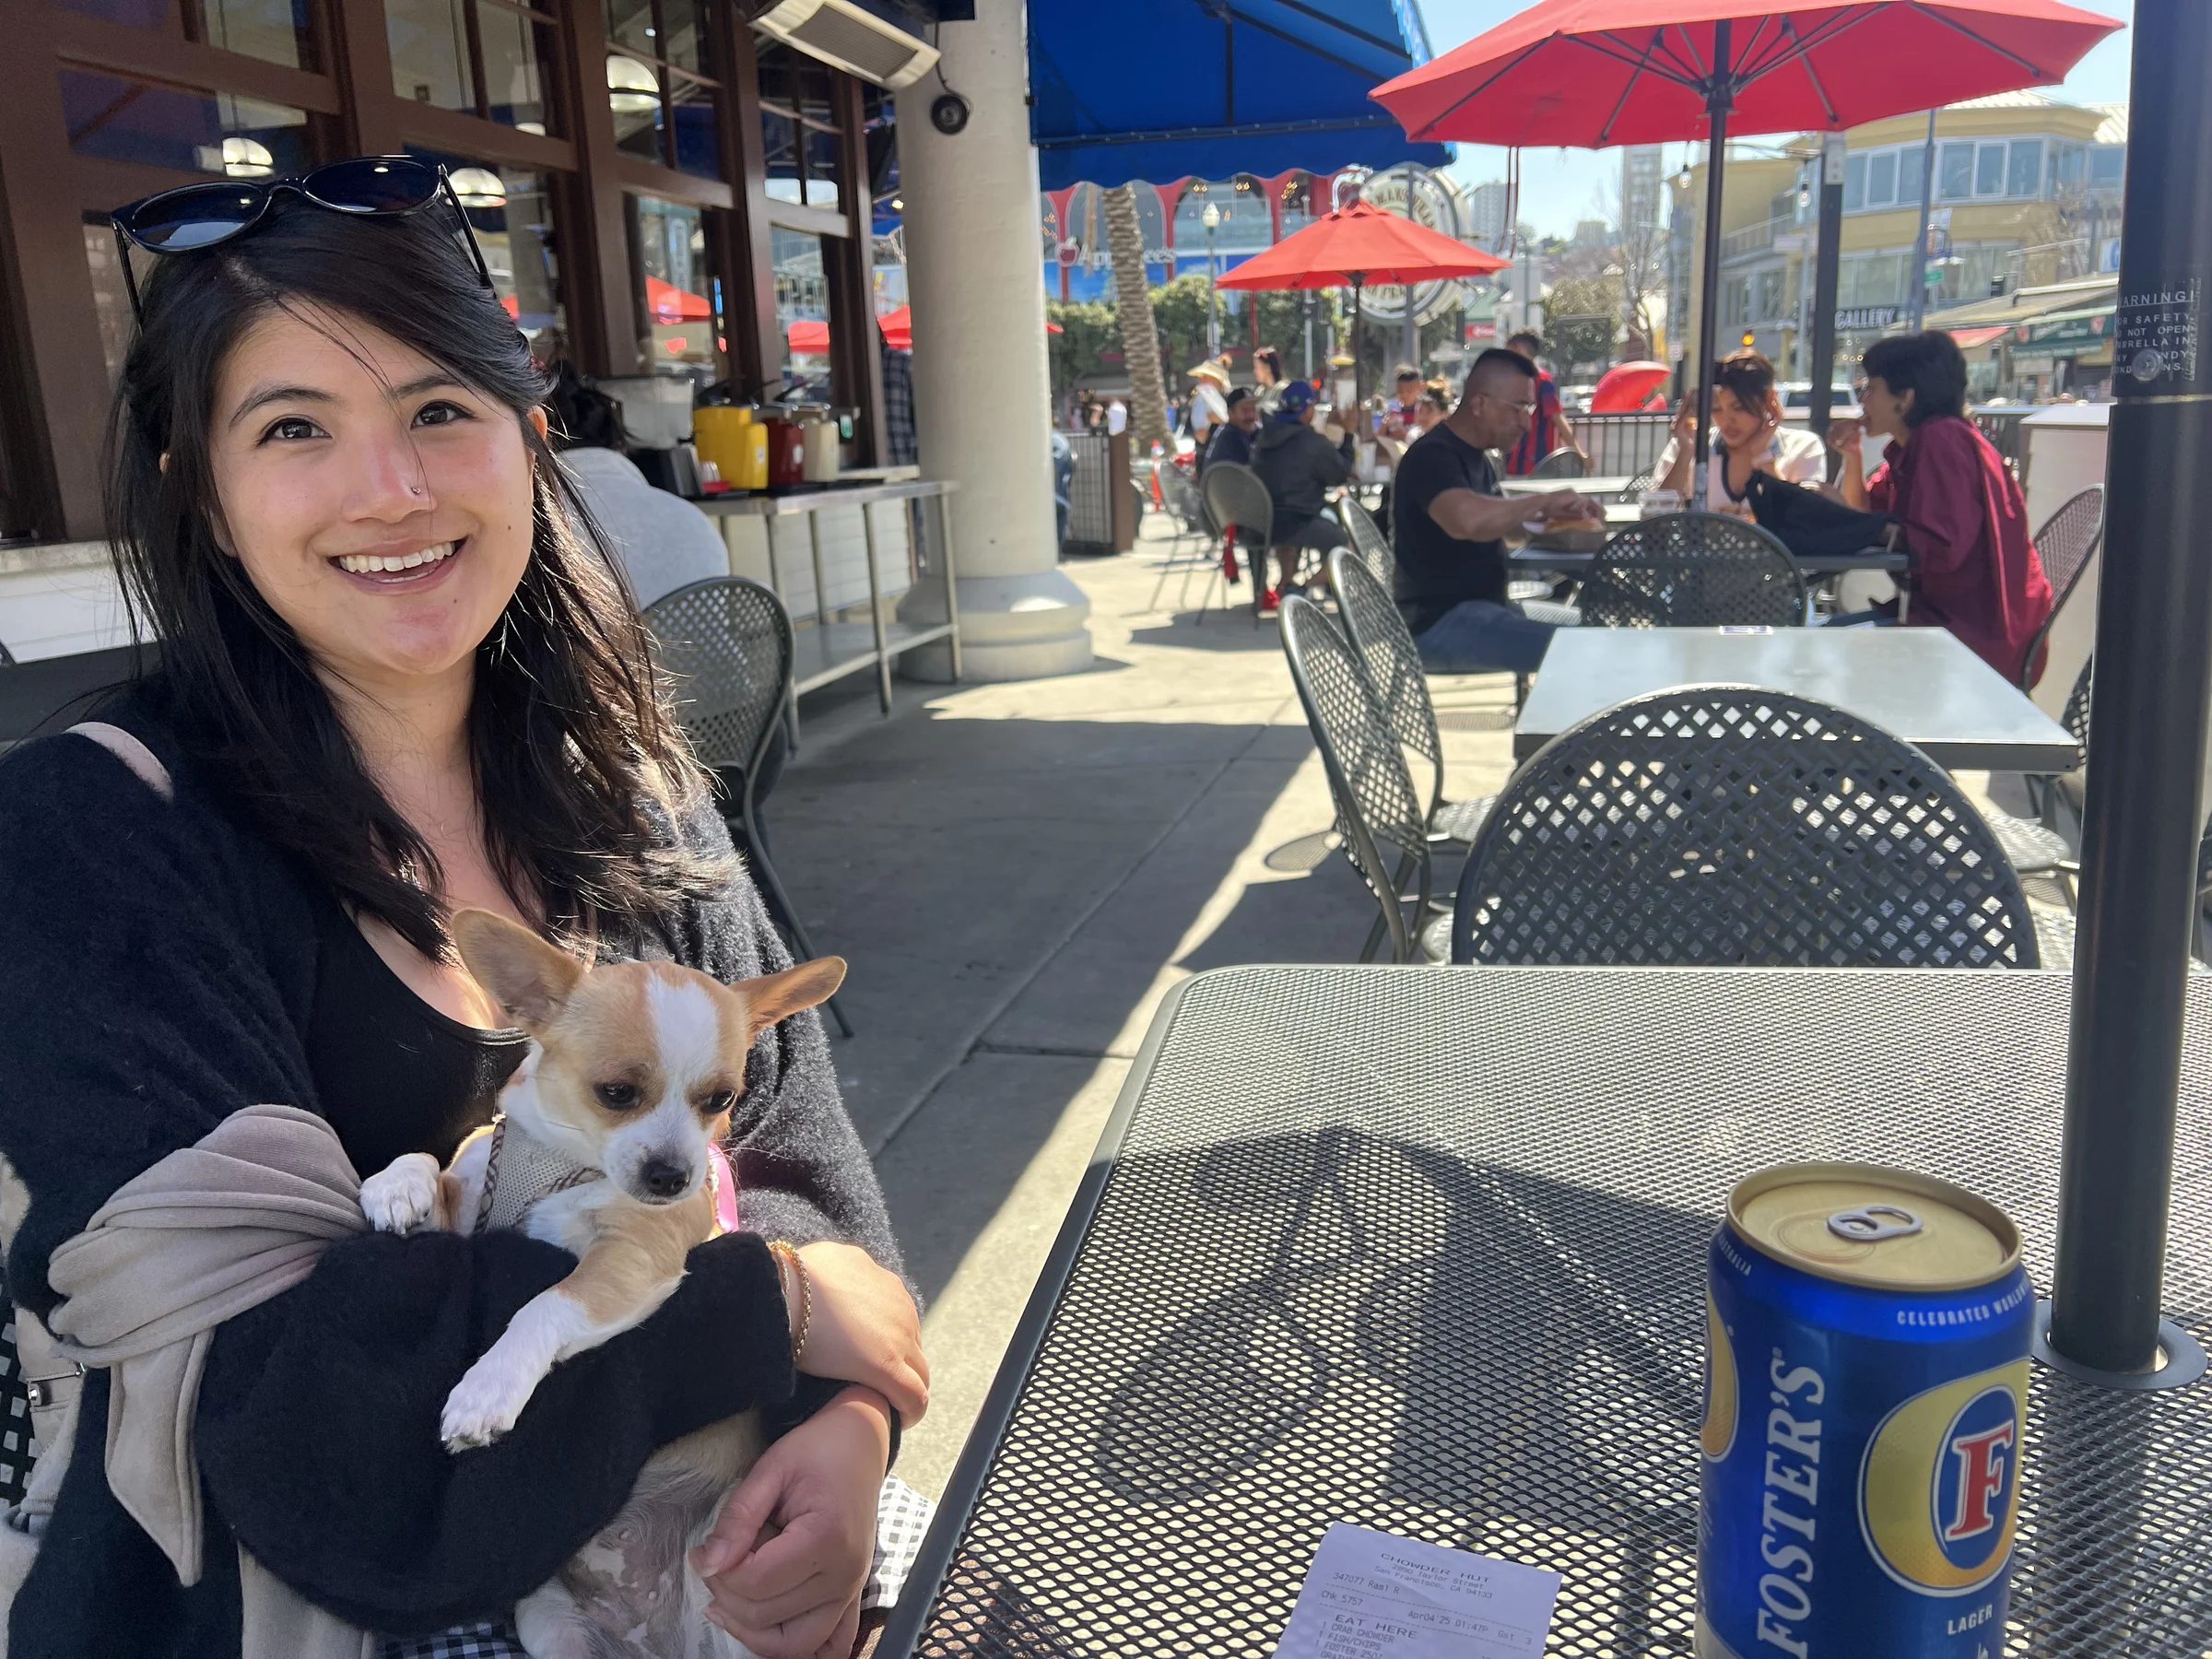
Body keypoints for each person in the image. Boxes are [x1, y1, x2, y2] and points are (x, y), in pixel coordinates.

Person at [0, 174, 927, 1658]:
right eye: (293, 427)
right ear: (200, 489)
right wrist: (777, 1316)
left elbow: (807, 1172)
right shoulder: (92, 846)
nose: (395, 488)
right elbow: (316, 1444)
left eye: (440, 409)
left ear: (527, 436)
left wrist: (850, 1428)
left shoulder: (633, 790)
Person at [1827, 331, 2053, 681]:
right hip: (1956, 623)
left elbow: (1940, 550)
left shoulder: (1942, 440)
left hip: (1975, 638)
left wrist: (1879, 530)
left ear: (1904, 398)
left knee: (1829, 653)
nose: (1862, 401)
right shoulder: (1922, 444)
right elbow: (1868, 512)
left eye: (1870, 388)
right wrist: (1852, 457)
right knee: (1832, 640)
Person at [1393, 348, 1598, 674]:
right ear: (1479, 404)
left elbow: (1508, 530)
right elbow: (1467, 521)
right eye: (1520, 407)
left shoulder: (1479, 458)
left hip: (1489, 611)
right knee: (1583, 652)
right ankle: (1559, 726)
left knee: (1600, 632)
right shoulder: (1432, 456)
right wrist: (1543, 502)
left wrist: (1561, 519)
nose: (1527, 423)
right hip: (1438, 626)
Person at [544, 371, 729, 609]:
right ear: (618, 442)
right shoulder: (692, 518)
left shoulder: (543, 527)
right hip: (708, 647)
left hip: (616, 648)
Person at [1653, 349, 1828, 516]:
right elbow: (1655, 520)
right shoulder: (1689, 443)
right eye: (1716, 409)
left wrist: (1763, 455)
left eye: (1739, 407)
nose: (1726, 420)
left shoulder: (1803, 446)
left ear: (1768, 400)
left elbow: (1806, 517)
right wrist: (1685, 454)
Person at [1250, 380, 1354, 612]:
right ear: (1308, 409)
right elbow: (1341, 471)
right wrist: (1348, 434)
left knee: (1288, 544)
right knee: (1347, 547)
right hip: (1299, 519)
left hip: (1264, 522)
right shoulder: (1310, 441)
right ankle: (1301, 587)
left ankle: (1286, 588)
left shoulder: (1263, 438)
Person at [1503, 330, 1583, 475]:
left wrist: (1579, 453)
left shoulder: (1536, 380)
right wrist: (1580, 454)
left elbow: (1558, 419)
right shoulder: (1541, 380)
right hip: (1535, 465)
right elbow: (1558, 419)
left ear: (1518, 348)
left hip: (1527, 464)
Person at [1200, 386, 1260, 473]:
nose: (1251, 416)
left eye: (1254, 409)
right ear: (1230, 413)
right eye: (1245, 410)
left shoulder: (1251, 433)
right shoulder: (1230, 436)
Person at [1187, 359, 1231, 443]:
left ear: (1216, 380)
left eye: (1205, 377)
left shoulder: (1229, 400)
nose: (1201, 380)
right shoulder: (1200, 399)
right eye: (1201, 377)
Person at [1251, 345, 1287, 413]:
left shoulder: (1282, 390)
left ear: (1268, 367)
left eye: (1256, 367)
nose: (1254, 372)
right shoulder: (1260, 391)